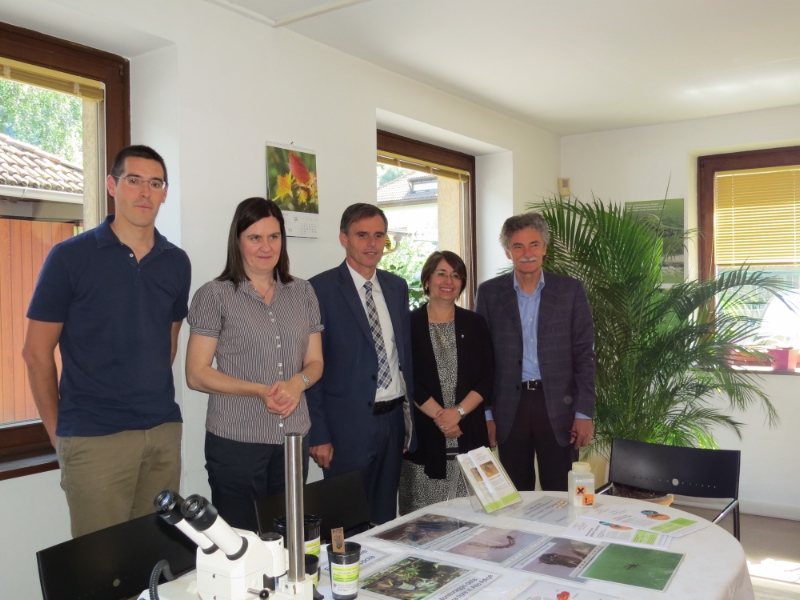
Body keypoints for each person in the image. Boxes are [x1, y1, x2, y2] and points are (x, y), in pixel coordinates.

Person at [22, 145, 191, 538]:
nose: (145, 192)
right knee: (101, 563)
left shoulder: (176, 262)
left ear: (165, 193)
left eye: (155, 183)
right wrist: (59, 433)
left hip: (163, 433)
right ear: (112, 186)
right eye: (134, 181)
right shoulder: (69, 257)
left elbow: (167, 345)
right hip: (94, 437)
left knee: (156, 553)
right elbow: (35, 353)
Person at [186, 198, 323, 533]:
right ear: (238, 241)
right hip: (237, 443)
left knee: (289, 538)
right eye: (255, 237)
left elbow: (315, 361)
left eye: (274, 237)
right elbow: (196, 374)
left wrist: (298, 383)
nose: (266, 247)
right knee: (242, 541)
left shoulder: (303, 292)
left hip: (293, 439)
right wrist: (260, 391)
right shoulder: (214, 295)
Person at [306, 203, 416, 525]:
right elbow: (310, 365)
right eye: (362, 235)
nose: (372, 243)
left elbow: (403, 356)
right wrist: (318, 434)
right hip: (346, 428)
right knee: (345, 519)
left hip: (392, 422)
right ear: (344, 238)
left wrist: (409, 426)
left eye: (379, 235)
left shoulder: (396, 287)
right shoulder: (318, 290)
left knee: (384, 518)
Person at [475, 212, 595, 491]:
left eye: (534, 244)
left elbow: (584, 355)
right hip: (509, 408)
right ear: (508, 252)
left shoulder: (570, 291)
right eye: (518, 246)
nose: (526, 253)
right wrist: (487, 415)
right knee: (516, 494)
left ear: (544, 248)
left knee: (562, 492)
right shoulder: (490, 293)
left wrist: (584, 413)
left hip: (559, 407)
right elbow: (482, 360)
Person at [399, 251, 494, 515]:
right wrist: (442, 417)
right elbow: (406, 377)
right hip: (426, 432)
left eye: (455, 275)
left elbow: (488, 376)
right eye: (441, 273)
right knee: (424, 522)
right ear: (427, 279)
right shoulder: (408, 324)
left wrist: (458, 413)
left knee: (473, 519)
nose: (448, 281)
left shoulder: (475, 323)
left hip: (469, 431)